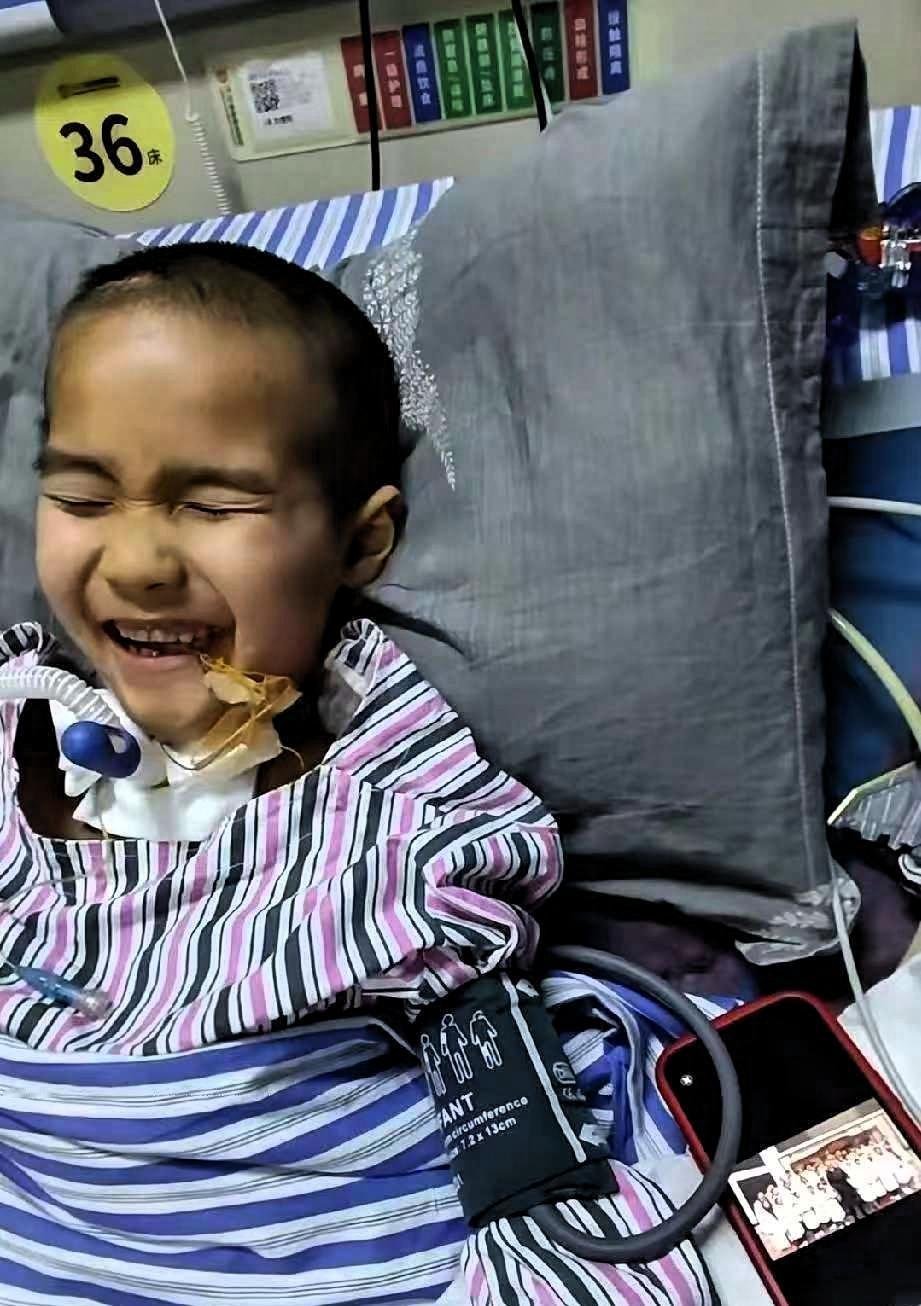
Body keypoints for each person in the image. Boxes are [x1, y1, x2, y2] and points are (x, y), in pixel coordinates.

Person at [0, 244, 704, 1306]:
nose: (137, 563)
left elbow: (482, 979)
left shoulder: (389, 802)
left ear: (361, 541)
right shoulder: (18, 722)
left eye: (214, 505)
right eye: (83, 497)